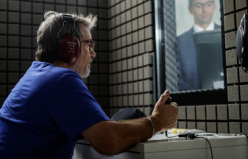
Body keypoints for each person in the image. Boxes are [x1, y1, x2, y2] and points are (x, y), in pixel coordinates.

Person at [0, 11, 178, 159]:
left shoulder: (35, 74)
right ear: (69, 47)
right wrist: (158, 121)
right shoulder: (61, 78)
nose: (92, 54)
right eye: (89, 45)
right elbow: (109, 141)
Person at [177, 0, 221, 91]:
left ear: (214, 6)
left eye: (208, 4)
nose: (204, 9)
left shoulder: (227, 35)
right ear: (190, 9)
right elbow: (176, 78)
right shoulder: (179, 42)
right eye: (199, 6)